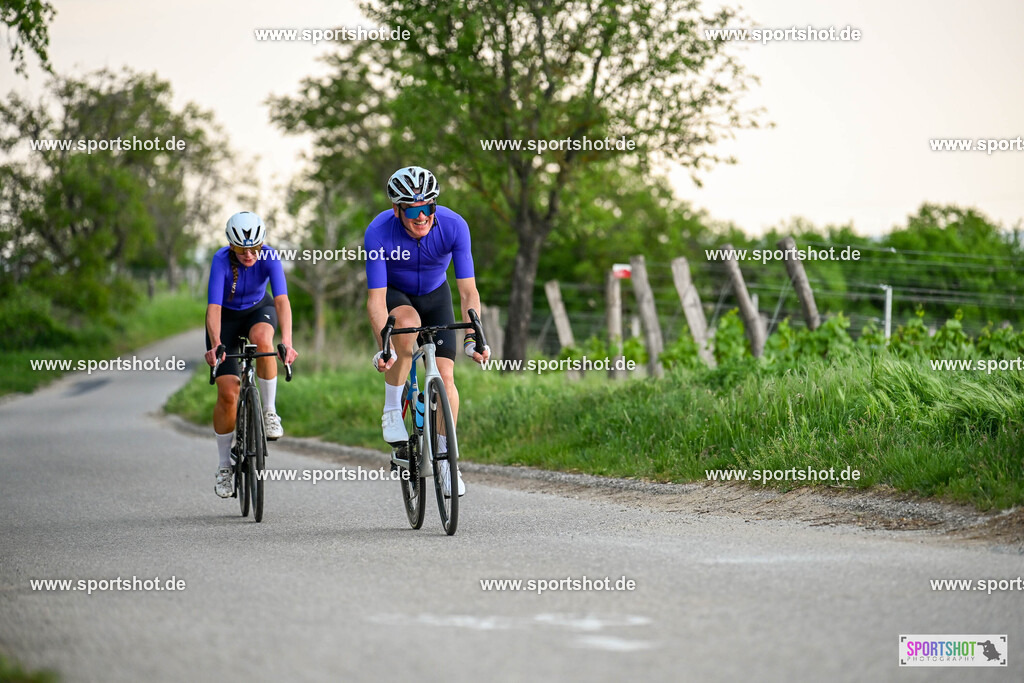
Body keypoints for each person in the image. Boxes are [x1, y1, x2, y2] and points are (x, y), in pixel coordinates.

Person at [365, 166, 490, 497]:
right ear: (397, 210)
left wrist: (474, 336)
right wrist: (385, 345)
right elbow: (376, 300)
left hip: (437, 296)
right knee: (406, 325)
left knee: (446, 379)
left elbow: (468, 291)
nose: (422, 217)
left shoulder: (454, 225)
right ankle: (392, 409)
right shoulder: (378, 231)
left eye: (428, 207)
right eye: (412, 210)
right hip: (398, 297)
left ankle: (447, 463)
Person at [204, 211, 299, 498]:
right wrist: (216, 344)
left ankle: (269, 412)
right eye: (242, 249)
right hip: (227, 320)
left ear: (262, 244)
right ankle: (224, 466)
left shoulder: (269, 257)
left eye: (254, 248)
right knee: (228, 393)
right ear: (231, 245)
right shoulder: (221, 260)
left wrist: (288, 341)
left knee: (263, 340)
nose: (249, 254)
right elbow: (214, 308)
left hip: (259, 310)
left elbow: (282, 300)